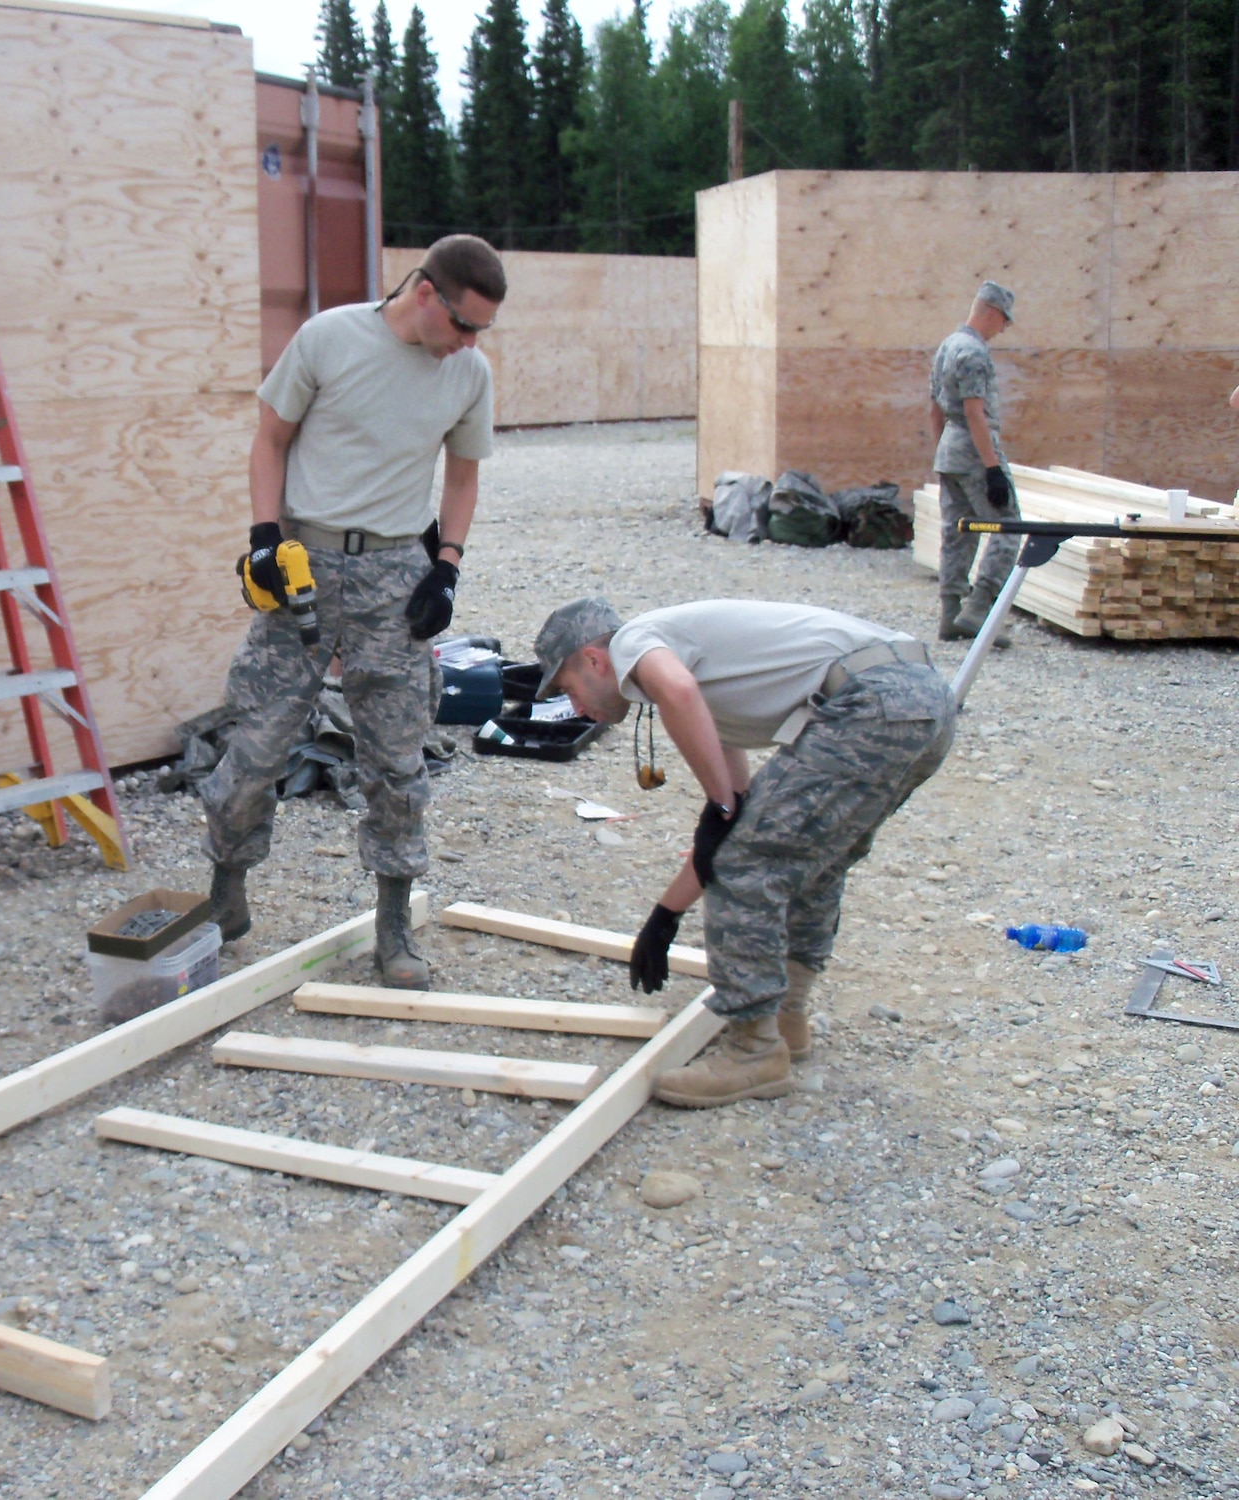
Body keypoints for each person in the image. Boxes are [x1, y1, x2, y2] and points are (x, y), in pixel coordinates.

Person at [200, 234, 506, 990]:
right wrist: (264, 537)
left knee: (397, 760)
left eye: (482, 333)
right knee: (255, 747)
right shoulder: (330, 338)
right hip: (305, 564)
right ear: (427, 293)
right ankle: (226, 887)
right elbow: (270, 439)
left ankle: (395, 923)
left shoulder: (468, 373)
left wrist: (447, 570)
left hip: (395, 575)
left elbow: (462, 480)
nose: (470, 343)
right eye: (464, 324)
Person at [533, 599, 955, 1108]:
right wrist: (666, 915)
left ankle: (754, 1053)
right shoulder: (702, 680)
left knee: (751, 866)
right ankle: (785, 1020)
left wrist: (717, 802)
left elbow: (682, 699)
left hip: (871, 704)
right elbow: (736, 830)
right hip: (919, 700)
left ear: (594, 660)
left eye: (566, 687)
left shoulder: (633, 644)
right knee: (805, 859)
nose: (574, 706)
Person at [929, 280, 1021, 646]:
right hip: (974, 449)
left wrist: (943, 454)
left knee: (958, 531)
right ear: (993, 313)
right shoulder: (974, 353)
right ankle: (979, 609)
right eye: (1005, 321)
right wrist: (992, 468)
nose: (1004, 329)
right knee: (1009, 526)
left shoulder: (947, 346)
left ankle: (951, 614)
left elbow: (935, 408)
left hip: (950, 450)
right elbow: (974, 412)